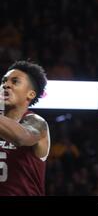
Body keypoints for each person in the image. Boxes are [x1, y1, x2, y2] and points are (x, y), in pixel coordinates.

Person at [0, 60, 50, 196]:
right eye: (4, 81)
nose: (6, 85)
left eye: (15, 82)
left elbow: (20, 137)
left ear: (30, 94)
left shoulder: (37, 123)